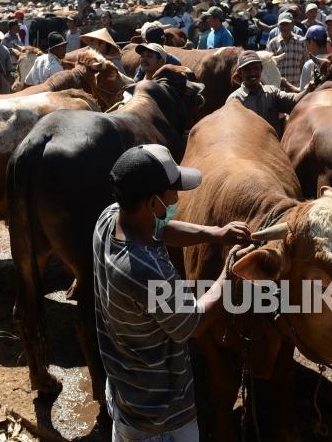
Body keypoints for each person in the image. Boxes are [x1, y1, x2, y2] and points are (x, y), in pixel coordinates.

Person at [94, 144, 251, 441]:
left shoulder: (110, 217)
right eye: (173, 193)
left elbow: (160, 229)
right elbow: (194, 323)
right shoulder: (146, 272)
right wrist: (229, 272)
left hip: (124, 389)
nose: (177, 198)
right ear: (153, 203)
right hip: (160, 416)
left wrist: (213, 233)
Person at [228, 50, 313, 135]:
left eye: (256, 68)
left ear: (261, 68)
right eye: (247, 70)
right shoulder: (235, 99)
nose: (252, 73)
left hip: (273, 146)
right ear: (240, 73)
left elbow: (293, 101)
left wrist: (308, 88)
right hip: (248, 146)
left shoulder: (272, 92)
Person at [267, 13, 306, 91]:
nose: (284, 27)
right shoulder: (273, 44)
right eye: (282, 24)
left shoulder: (301, 42)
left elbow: (305, 65)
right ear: (278, 26)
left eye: (287, 24)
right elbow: (268, 67)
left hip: (297, 88)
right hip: (278, 89)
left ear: (292, 25)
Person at [300, 25, 328, 89]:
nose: (306, 46)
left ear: (312, 42)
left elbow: (303, 93)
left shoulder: (309, 65)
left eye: (306, 42)